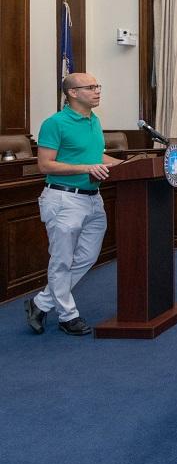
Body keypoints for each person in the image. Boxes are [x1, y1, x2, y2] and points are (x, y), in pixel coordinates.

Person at [25, 73, 122, 336]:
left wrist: (128, 165)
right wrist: (87, 167)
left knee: (87, 258)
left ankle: (41, 302)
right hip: (63, 198)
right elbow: (45, 164)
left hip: (93, 199)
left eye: (97, 86)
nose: (97, 91)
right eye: (90, 87)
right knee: (62, 261)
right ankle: (68, 316)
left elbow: (95, 155)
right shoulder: (55, 123)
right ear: (73, 93)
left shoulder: (94, 120)